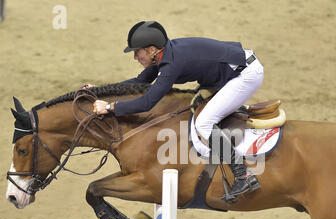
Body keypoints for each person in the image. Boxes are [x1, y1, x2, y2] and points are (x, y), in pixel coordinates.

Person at [92, 21, 264, 199]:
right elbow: (139, 82)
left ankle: (243, 175)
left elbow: (147, 102)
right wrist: (100, 91)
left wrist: (110, 107)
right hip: (229, 72)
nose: (135, 56)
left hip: (245, 75)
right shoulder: (163, 54)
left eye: (137, 51)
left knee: (204, 123)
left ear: (152, 49)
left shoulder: (172, 62)